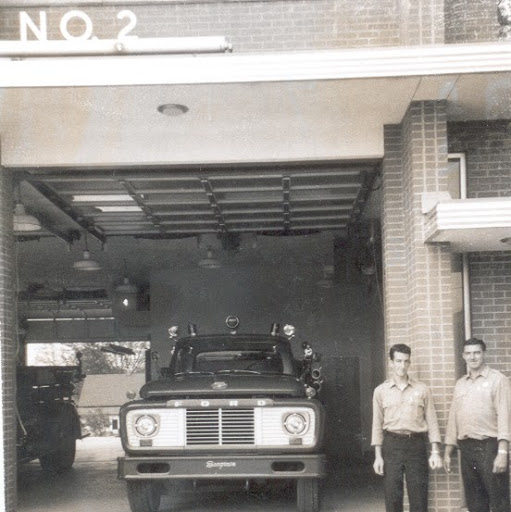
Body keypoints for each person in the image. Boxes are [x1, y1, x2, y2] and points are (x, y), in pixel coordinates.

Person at [372, 343, 442, 512]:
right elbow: (377, 425)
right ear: (391, 362)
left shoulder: (422, 389)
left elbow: (432, 421)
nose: (402, 366)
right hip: (392, 444)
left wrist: (435, 451)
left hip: (415, 445)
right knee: (393, 496)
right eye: (398, 361)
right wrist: (378, 456)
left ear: (409, 363)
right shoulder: (381, 391)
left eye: (405, 361)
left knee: (419, 496)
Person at [444, 337, 511, 512]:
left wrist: (503, 452)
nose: (472, 357)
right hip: (466, 449)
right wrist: (448, 449)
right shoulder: (460, 384)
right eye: (468, 353)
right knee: (474, 502)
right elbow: (454, 417)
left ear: (484, 354)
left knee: (499, 501)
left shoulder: (498, 380)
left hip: (489, 447)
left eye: (477, 353)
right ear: (463, 356)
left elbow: (505, 416)